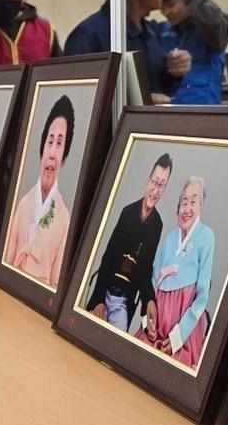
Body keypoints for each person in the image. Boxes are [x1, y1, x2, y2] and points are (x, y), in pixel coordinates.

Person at [64, 0, 192, 98]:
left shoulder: (150, 33)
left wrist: (175, 72)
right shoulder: (88, 37)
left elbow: (160, 90)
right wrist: (136, 102)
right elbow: (77, 99)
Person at [84, 153, 171, 332]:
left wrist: (149, 299)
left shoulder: (157, 225)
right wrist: (99, 299)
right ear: (148, 180)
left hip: (123, 301)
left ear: (165, 188)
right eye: (155, 182)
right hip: (105, 289)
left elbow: (145, 268)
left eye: (161, 185)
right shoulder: (127, 212)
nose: (155, 190)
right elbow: (108, 256)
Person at [136, 177, 214, 366]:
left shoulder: (206, 237)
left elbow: (202, 298)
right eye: (183, 202)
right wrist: (149, 324)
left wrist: (177, 338)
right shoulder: (170, 238)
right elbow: (153, 284)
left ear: (201, 207)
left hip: (183, 335)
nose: (187, 209)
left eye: (193, 202)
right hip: (156, 329)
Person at [2, 95, 74, 288]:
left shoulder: (65, 219)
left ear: (64, 158)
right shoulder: (23, 203)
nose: (51, 153)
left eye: (59, 144)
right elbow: (4, 265)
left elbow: (56, 283)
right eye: (49, 141)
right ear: (42, 149)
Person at [158, 0, 228, 104]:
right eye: (162, 7)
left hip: (203, 111)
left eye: (171, 5)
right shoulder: (163, 31)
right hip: (169, 111)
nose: (166, 12)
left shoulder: (210, 27)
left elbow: (214, 25)